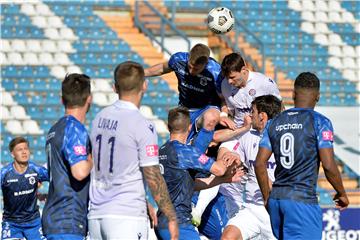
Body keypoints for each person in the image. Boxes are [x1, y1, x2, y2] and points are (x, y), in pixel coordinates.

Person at [88, 61, 178, 240]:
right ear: (144, 85)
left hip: (97, 215)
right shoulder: (142, 124)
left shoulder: (99, 117)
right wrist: (171, 216)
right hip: (125, 217)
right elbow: (152, 176)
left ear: (115, 87)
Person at [191, 52, 282, 231]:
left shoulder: (264, 83)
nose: (230, 82)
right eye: (228, 79)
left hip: (260, 135)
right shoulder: (226, 84)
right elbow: (226, 103)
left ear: (244, 70)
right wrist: (225, 114)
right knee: (221, 165)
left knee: (255, 175)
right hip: (238, 134)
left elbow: (280, 108)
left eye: (233, 77)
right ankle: (197, 211)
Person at [255, 72, 349, 240]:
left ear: (293, 94)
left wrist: (267, 198)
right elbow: (328, 165)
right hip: (301, 201)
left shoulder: (274, 122)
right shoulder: (320, 122)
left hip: (277, 200)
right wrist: (341, 193)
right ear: (318, 97)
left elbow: (259, 163)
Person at [155, 106, 244, 240]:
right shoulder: (186, 152)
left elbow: (190, 184)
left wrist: (223, 180)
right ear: (190, 127)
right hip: (180, 225)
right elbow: (219, 169)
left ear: (168, 127)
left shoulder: (161, 151)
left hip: (162, 223)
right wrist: (230, 156)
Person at [144, 43, 236, 143]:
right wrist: (141, 73)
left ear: (205, 64)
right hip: (185, 108)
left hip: (206, 108)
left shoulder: (215, 72)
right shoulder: (178, 59)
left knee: (211, 117)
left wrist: (223, 115)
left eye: (196, 69)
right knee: (179, 143)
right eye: (190, 66)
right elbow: (162, 68)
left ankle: (197, 154)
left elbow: (223, 98)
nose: (191, 71)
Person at [220, 95, 282, 240]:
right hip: (251, 207)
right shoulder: (247, 136)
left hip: (274, 210)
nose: (249, 115)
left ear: (262, 116)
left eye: (252, 111)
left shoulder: (283, 138)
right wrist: (235, 158)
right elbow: (235, 155)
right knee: (228, 237)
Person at [42, 73, 93, 240]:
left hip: (54, 218)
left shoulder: (54, 129)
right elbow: (80, 171)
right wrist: (93, 158)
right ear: (89, 99)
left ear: (61, 99)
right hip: (68, 220)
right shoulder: (75, 129)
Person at [1, 137, 48, 240]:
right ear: (12, 154)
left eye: (26, 149)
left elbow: (57, 178)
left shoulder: (36, 170)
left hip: (34, 223)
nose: (24, 152)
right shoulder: (4, 174)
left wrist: (49, 195)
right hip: (12, 224)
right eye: (19, 149)